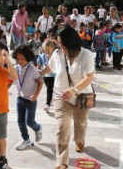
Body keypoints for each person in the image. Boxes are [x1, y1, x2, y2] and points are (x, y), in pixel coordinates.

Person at [40, 25, 95, 169]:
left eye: (62, 43)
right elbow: (50, 67)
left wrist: (74, 90)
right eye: (59, 43)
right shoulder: (58, 54)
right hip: (61, 96)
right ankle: (62, 163)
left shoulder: (86, 55)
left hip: (82, 96)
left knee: (80, 123)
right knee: (62, 127)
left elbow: (89, 77)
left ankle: (79, 140)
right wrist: (38, 73)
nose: (59, 46)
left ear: (71, 43)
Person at [12, 44, 43, 150]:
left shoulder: (32, 69)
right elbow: (10, 80)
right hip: (19, 98)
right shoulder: (15, 68)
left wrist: (36, 95)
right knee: (20, 121)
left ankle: (38, 128)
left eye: (22, 58)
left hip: (30, 100)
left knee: (29, 122)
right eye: (18, 58)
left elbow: (40, 82)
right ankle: (26, 140)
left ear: (28, 58)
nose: (20, 61)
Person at [37, 40, 55, 113]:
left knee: (49, 90)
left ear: (52, 49)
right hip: (45, 75)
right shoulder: (41, 56)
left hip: (53, 75)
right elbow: (39, 66)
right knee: (49, 89)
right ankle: (51, 100)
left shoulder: (54, 56)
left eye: (49, 49)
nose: (47, 51)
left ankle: (47, 104)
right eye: (45, 49)